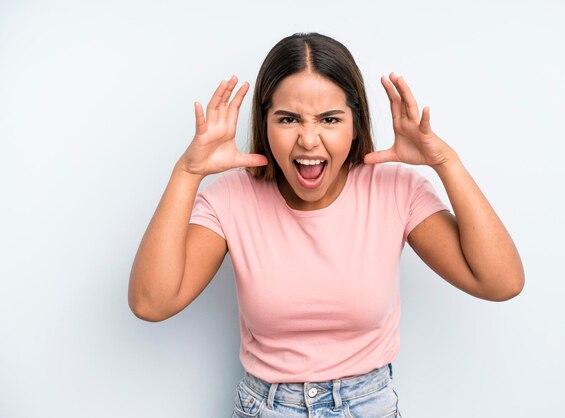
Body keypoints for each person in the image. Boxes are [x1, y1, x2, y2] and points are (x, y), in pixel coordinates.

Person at [128, 32, 525, 418]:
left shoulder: (396, 190)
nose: (308, 140)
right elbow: (151, 303)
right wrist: (187, 172)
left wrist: (446, 163)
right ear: (265, 123)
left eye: (330, 119)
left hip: (369, 405)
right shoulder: (232, 197)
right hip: (264, 407)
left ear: (355, 125)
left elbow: (501, 282)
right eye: (288, 119)